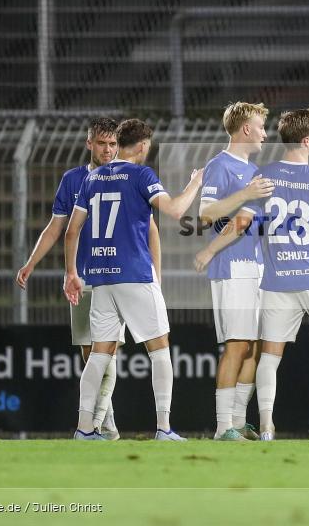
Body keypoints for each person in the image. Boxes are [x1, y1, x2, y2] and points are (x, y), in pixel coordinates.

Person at [195, 107, 309, 441]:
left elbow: (240, 222)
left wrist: (209, 250)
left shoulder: (263, 175)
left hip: (277, 279)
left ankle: (266, 425)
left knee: (268, 354)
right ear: (308, 140)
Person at [15, 116, 162, 441]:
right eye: (102, 143)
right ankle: (104, 424)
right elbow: (58, 228)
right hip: (85, 279)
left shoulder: (129, 177)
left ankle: (96, 425)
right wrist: (31, 263)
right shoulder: (74, 180)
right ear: (89, 144)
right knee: (92, 355)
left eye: (113, 144)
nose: (108, 149)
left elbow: (151, 229)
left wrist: (155, 275)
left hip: (120, 277)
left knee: (106, 354)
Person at [63, 118, 203, 441]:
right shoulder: (141, 174)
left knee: (99, 355)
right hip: (135, 274)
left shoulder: (92, 178)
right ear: (142, 146)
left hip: (99, 279)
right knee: (160, 350)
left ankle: (84, 429)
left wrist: (72, 272)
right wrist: (195, 183)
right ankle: (164, 428)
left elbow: (72, 231)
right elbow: (176, 210)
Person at [198, 102, 275, 441]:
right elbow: (205, 214)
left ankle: (238, 421)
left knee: (252, 347)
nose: (264, 133)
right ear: (246, 129)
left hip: (254, 265)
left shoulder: (254, 169)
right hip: (231, 267)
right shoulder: (219, 166)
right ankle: (221, 426)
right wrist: (246, 193)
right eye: (260, 126)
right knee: (236, 344)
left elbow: (250, 222)